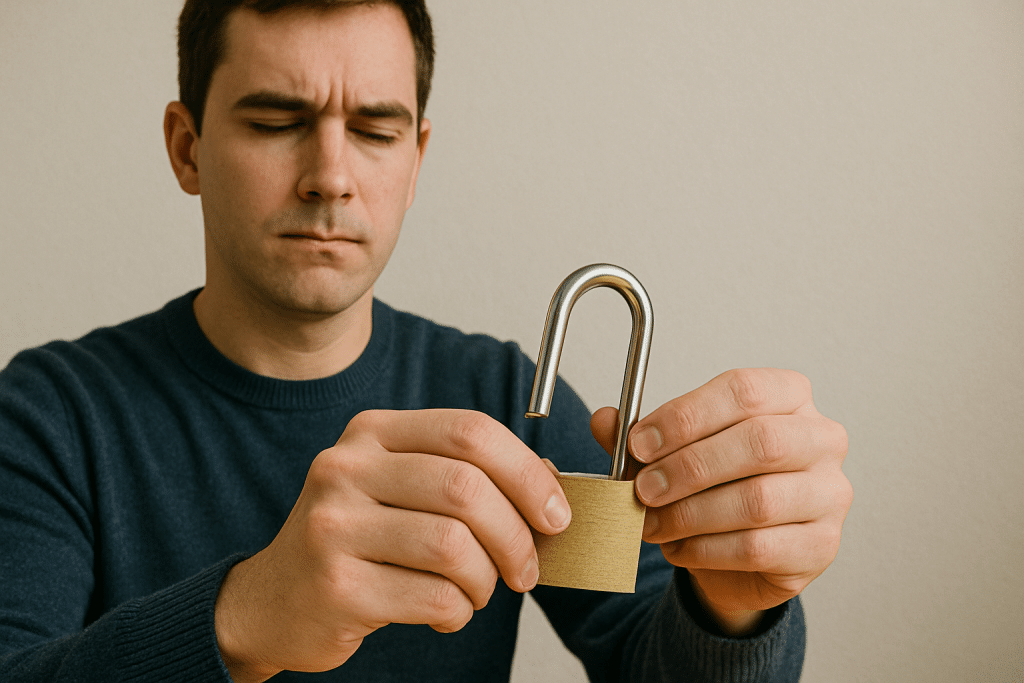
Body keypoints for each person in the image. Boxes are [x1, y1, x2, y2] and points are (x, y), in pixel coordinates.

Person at [0, 1, 852, 681]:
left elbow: (653, 663)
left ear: (416, 160)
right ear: (187, 149)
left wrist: (732, 609)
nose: (330, 176)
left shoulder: (505, 394)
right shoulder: (47, 413)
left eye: (375, 131)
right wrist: (243, 616)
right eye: (273, 121)